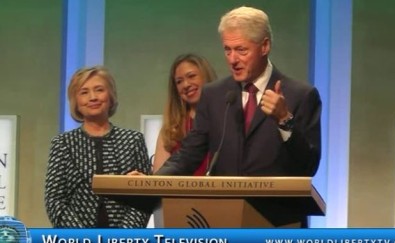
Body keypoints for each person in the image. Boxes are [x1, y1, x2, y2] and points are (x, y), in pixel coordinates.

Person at [156, 7, 322, 227]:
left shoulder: (300, 95)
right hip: (222, 223)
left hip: (278, 225)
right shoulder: (214, 94)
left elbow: (308, 165)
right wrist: (153, 180)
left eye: (241, 50)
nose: (232, 59)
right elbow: (189, 154)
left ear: (265, 46)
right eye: (227, 50)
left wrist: (285, 120)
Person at [45, 66, 151, 228]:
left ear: (110, 96)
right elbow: (54, 199)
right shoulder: (62, 144)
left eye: (99, 90)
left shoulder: (133, 140)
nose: (93, 97)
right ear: (76, 102)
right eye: (84, 92)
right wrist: (82, 239)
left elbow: (144, 196)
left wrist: (123, 238)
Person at [153, 54, 217, 174]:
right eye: (179, 82)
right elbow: (159, 181)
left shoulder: (226, 119)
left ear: (206, 77)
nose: (186, 85)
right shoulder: (171, 129)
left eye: (191, 76)